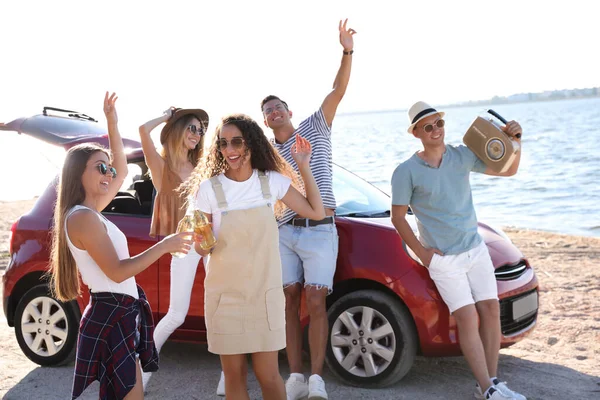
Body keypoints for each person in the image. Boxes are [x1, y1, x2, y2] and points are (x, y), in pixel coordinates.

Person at [49, 92, 194, 400]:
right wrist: (165, 244)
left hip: (119, 312)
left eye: (108, 168)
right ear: (79, 174)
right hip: (111, 312)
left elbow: (124, 170)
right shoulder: (82, 218)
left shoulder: (91, 211)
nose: (110, 173)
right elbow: (116, 271)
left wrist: (112, 124)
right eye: (100, 168)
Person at [390, 101, 526, 400]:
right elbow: (397, 217)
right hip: (444, 260)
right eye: (428, 126)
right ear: (416, 133)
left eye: (438, 123)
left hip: (475, 250)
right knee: (468, 318)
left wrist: (515, 143)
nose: (436, 130)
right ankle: (489, 388)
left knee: (490, 311)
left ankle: (488, 384)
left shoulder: (461, 155)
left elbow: (508, 171)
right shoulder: (406, 171)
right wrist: (424, 255)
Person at [184, 113, 325, 400]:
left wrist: (303, 166)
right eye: (223, 144)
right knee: (234, 377)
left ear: (252, 143)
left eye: (237, 142)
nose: (230, 150)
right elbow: (201, 248)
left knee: (269, 376)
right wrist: (201, 242)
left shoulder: (271, 182)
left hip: (265, 296)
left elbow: (317, 212)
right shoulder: (209, 189)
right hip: (226, 297)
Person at [253, 18, 356, 400]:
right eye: (268, 110)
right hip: (285, 231)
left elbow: (338, 89)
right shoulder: (264, 153)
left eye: (278, 106)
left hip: (321, 229)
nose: (274, 112)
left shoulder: (316, 126)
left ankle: (316, 379)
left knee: (316, 299)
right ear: (265, 120)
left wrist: (346, 50)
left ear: (289, 110)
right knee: (290, 298)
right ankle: (294, 376)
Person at [137, 105, 209, 387]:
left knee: (219, 309)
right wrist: (168, 116)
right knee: (176, 314)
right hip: (184, 246)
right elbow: (143, 131)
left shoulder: (201, 166)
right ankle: (140, 377)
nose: (197, 133)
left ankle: (228, 379)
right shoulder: (160, 167)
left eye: (200, 130)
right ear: (178, 130)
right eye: (191, 127)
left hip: (210, 242)